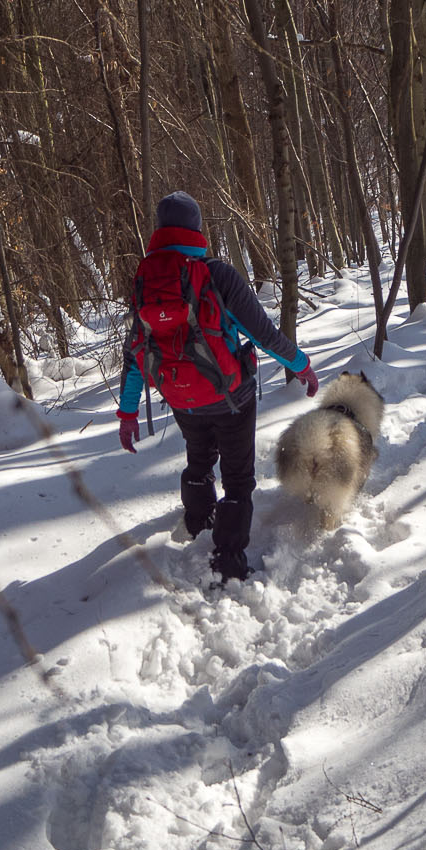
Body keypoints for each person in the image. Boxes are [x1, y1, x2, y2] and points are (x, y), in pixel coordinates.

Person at [116, 192, 317, 581]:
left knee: (199, 459)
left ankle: (197, 523)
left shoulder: (146, 281)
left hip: (182, 399)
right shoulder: (217, 275)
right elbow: (263, 334)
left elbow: (135, 352)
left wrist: (128, 413)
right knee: (238, 477)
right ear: (196, 228)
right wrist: (302, 366)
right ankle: (227, 560)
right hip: (231, 397)